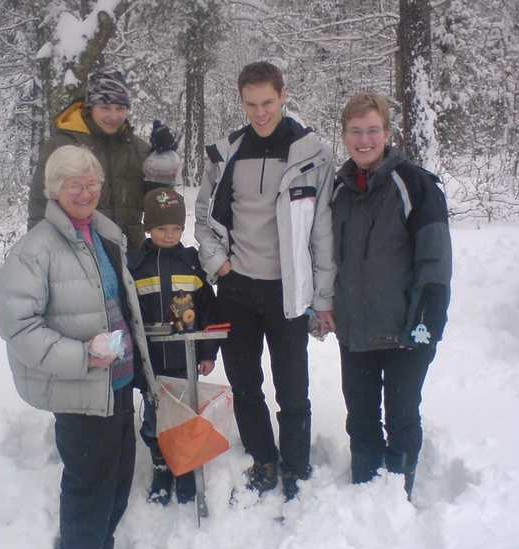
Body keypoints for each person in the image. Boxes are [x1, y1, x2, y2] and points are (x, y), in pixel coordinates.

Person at [0, 145, 158, 549]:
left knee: (119, 475)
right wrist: (82, 355)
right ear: (54, 190)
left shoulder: (106, 234)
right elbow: (18, 328)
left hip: (118, 381)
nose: (85, 193)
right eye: (74, 185)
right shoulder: (34, 251)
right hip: (79, 388)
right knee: (89, 484)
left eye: (91, 184)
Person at [194, 61, 336, 501]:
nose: (260, 112)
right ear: (241, 101)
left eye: (268, 102)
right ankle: (263, 457)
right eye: (251, 104)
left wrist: (323, 297)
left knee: (293, 388)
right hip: (236, 287)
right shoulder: (225, 155)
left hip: (287, 291)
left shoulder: (311, 154)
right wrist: (219, 264)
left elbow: (323, 231)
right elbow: (203, 218)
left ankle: (294, 465)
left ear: (283, 96)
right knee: (245, 383)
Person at [331, 92, 452, 501]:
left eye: (372, 130)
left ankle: (399, 495)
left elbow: (435, 259)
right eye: (355, 131)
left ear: (387, 132)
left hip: (406, 329)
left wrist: (427, 320)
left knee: (401, 415)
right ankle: (366, 491)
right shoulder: (339, 190)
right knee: (360, 417)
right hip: (356, 329)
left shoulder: (415, 184)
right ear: (344, 135)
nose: (364, 140)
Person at [127, 187, 219, 505]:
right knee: (155, 418)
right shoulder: (136, 266)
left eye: (176, 228)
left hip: (185, 360)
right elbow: (128, 316)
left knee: (184, 416)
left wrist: (208, 352)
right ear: (148, 228)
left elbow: (208, 311)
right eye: (161, 228)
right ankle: (161, 466)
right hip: (151, 362)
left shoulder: (191, 264)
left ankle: (185, 467)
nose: (169, 235)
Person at [28, 67, 179, 251]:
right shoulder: (62, 145)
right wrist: (39, 252)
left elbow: (160, 206)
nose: (113, 116)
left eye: (120, 108)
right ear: (90, 106)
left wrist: (162, 163)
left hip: (130, 253)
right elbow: (40, 205)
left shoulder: (137, 149)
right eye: (105, 108)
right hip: (78, 251)